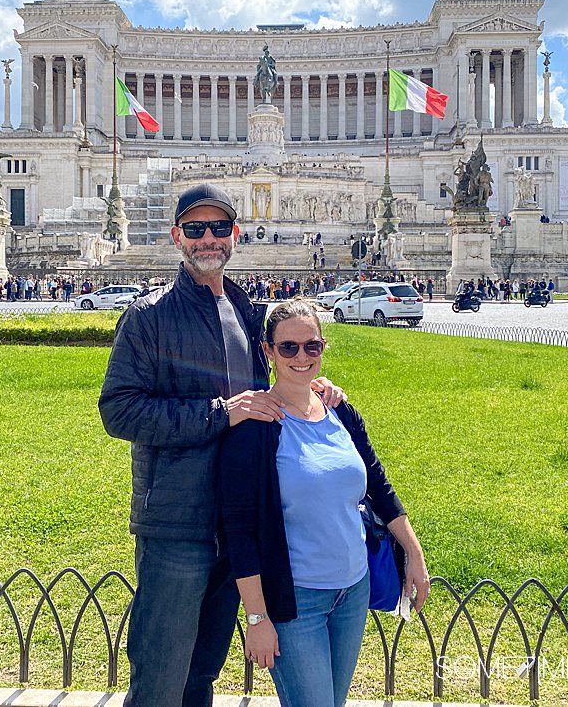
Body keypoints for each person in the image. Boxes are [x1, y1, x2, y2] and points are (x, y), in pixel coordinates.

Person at [99, 184, 344, 707]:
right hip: (178, 520)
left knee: (202, 673)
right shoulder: (149, 316)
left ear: (234, 235)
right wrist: (219, 412)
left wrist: (313, 387)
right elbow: (118, 410)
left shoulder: (246, 310)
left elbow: (270, 385)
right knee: (160, 678)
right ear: (177, 237)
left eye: (217, 228)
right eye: (195, 229)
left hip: (237, 521)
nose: (207, 238)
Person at [220, 299, 429, 707]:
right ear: (268, 351)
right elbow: (240, 530)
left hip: (352, 590)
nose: (301, 357)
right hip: (296, 601)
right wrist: (257, 617)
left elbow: (379, 486)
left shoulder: (340, 410)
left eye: (311, 346)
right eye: (288, 348)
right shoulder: (255, 426)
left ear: (323, 348)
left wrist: (414, 551)